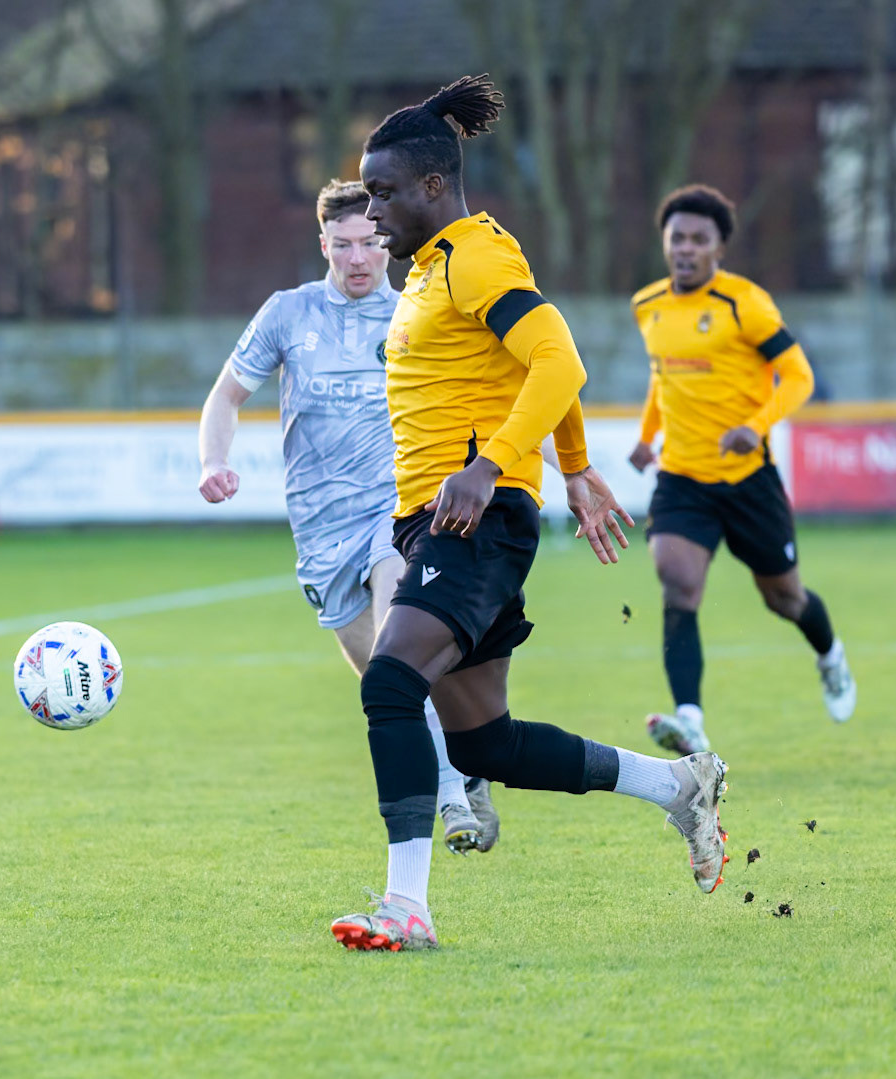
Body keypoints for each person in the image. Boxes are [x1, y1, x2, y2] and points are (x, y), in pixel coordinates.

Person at [331, 75, 729, 952]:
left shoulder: (474, 255)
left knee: (392, 684)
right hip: (438, 517)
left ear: (435, 185)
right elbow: (534, 367)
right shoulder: (441, 265)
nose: (375, 208)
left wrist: (489, 465)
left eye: (387, 191)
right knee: (484, 745)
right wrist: (576, 468)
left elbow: (560, 358)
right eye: (368, 191)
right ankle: (677, 786)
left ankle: (406, 906)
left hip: (472, 518)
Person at [196, 180, 499, 857]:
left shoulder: (416, 313)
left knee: (402, 644)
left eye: (370, 243)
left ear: (387, 242)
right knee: (385, 679)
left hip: (393, 513)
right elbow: (226, 394)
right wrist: (212, 461)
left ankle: (451, 799)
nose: (359, 258)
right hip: (319, 533)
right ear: (323, 243)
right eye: (344, 245)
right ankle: (470, 760)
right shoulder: (287, 313)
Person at [626, 183, 856, 757]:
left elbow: (798, 376)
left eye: (699, 240)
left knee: (785, 599)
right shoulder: (647, 305)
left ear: (718, 249)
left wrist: (756, 425)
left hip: (748, 480)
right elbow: (664, 375)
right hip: (681, 477)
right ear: (665, 243)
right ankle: (691, 720)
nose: (685, 248)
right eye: (677, 237)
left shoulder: (745, 304)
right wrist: (647, 436)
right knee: (677, 582)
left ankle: (830, 657)